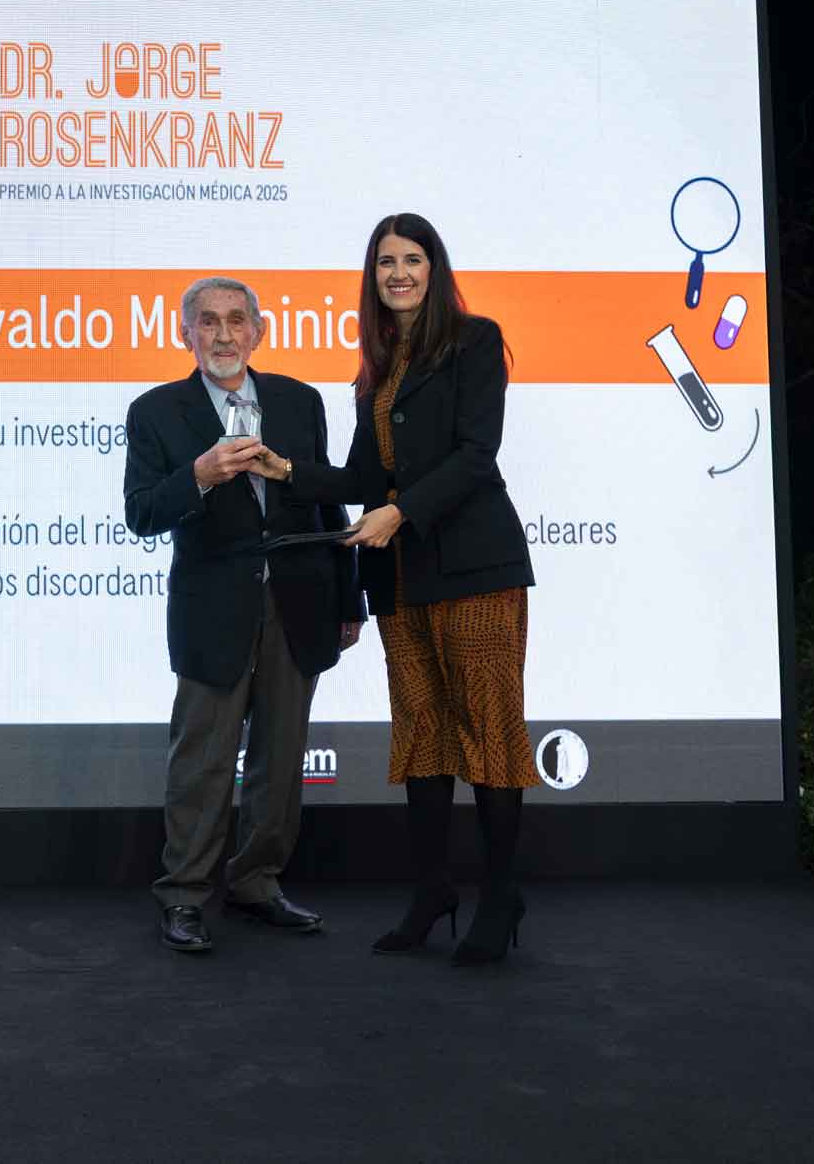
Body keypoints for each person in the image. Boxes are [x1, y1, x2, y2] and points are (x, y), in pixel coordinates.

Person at [251, 213, 538, 965]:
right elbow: (359, 478)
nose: (399, 273)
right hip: (402, 581)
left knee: (489, 731)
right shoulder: (376, 370)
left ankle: (499, 893)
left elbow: (477, 454)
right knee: (422, 734)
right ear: (372, 277)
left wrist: (401, 511)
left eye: (412, 259)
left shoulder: (475, 341)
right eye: (386, 262)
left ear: (434, 269)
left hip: (475, 570)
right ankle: (432, 890)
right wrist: (286, 469)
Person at [124, 276, 363, 954]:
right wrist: (199, 474)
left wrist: (349, 599)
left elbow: (327, 503)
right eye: (208, 321)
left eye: (236, 320)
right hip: (211, 611)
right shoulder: (155, 411)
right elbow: (141, 512)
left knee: (280, 758)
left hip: (300, 601)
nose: (223, 334)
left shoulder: (298, 400)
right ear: (185, 334)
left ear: (259, 331)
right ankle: (184, 895)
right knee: (202, 761)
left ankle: (256, 882)